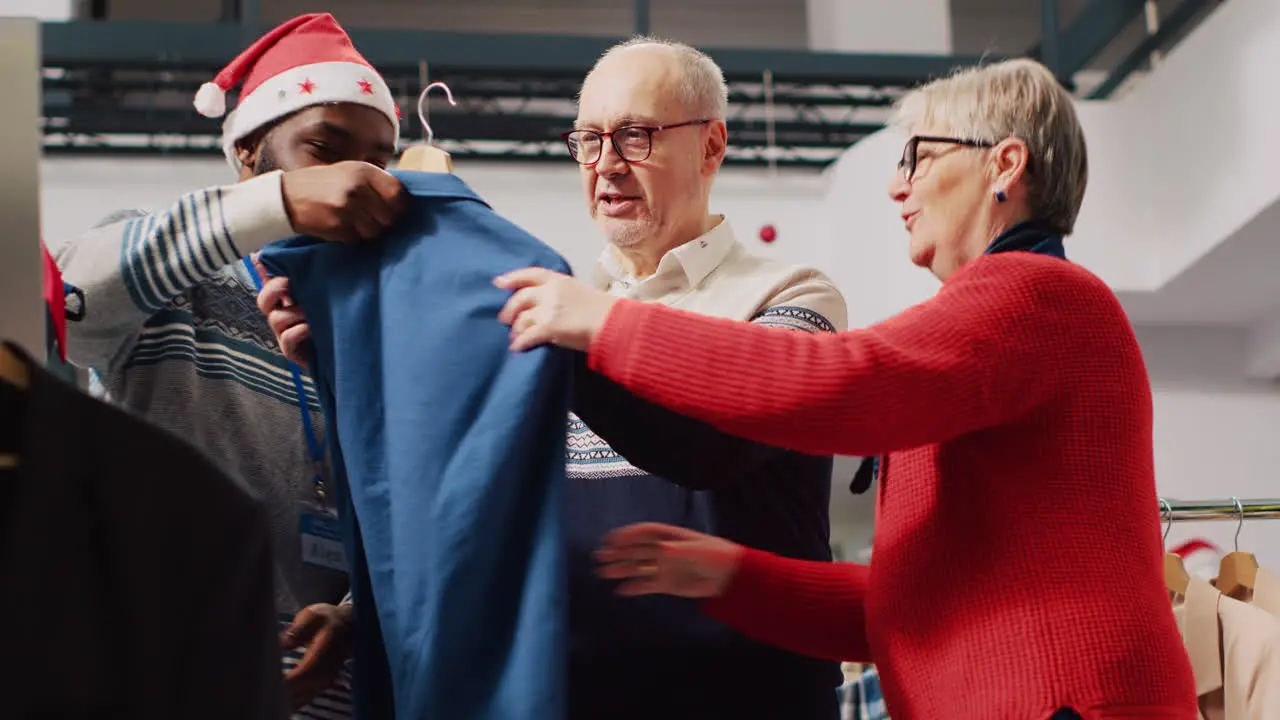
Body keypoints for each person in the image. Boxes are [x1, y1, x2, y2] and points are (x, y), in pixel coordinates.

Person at [492, 58, 1200, 719]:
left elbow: (840, 382)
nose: (898, 186)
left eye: (917, 157)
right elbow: (905, 604)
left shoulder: (1037, 296)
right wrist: (726, 575)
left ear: (1004, 164)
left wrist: (609, 325)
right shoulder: (988, 332)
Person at [260, 37, 849, 719]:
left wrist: (578, 335)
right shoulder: (555, 314)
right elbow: (479, 501)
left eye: (635, 136)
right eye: (588, 140)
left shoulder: (793, 296)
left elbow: (714, 444)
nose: (606, 166)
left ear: (712, 146)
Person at [51, 13, 406, 718]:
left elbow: (398, 511)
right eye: (325, 149)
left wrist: (351, 612)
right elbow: (71, 297)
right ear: (247, 152)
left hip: (325, 698)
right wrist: (279, 204)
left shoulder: (372, 325)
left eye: (377, 158)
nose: (355, 176)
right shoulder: (176, 282)